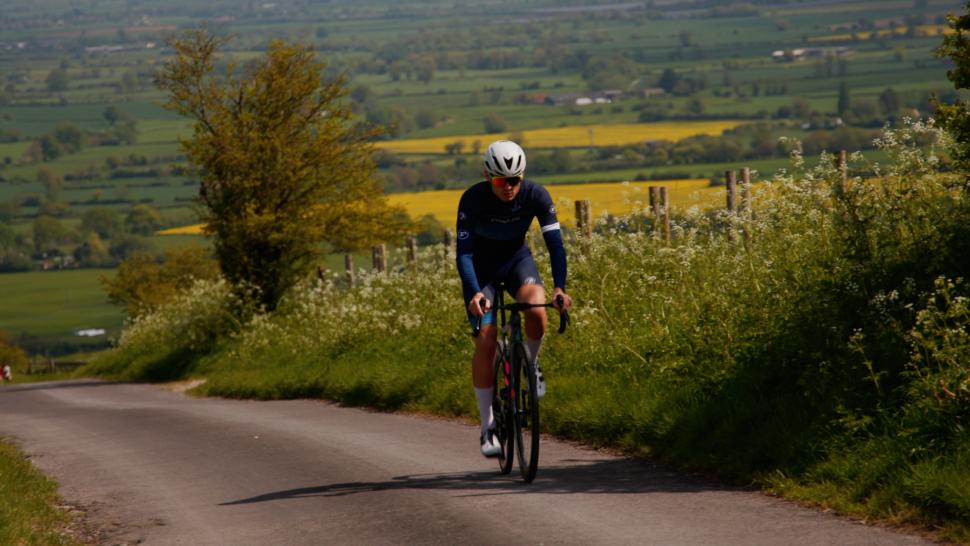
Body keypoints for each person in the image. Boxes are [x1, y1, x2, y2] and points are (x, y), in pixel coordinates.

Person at [456, 140, 573, 458]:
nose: (508, 187)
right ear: (487, 176)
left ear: (522, 177)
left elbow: (555, 245)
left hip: (517, 261)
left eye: (514, 180)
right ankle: (487, 426)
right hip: (482, 272)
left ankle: (531, 365)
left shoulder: (536, 195)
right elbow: (464, 254)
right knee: (486, 338)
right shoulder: (472, 200)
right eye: (499, 181)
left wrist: (560, 288)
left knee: (537, 311)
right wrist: (476, 292)